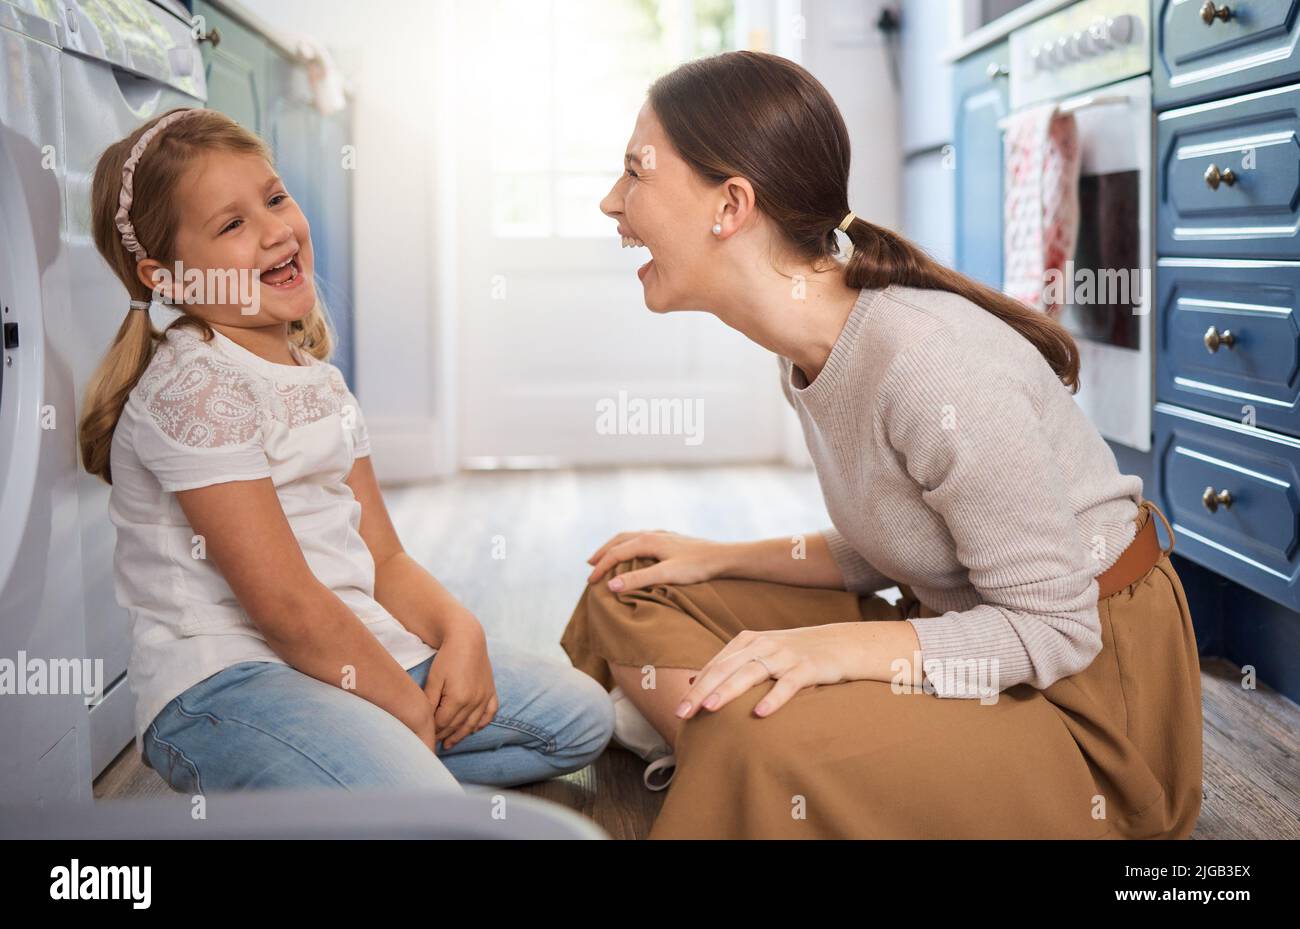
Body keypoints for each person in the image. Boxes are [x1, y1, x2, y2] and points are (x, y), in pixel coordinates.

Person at [562, 51, 1203, 839]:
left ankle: (742, 753)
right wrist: (716, 557)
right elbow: (902, 539)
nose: (610, 202)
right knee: (632, 583)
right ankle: (755, 756)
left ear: (730, 205)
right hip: (958, 620)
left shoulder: (930, 364)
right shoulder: (808, 341)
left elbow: (1054, 629)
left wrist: (834, 651)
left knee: (758, 732)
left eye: (635, 173)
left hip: (1083, 698)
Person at [79, 108, 613, 794]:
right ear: (171, 278)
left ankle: (351, 780)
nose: (275, 230)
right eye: (232, 224)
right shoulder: (194, 389)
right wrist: (403, 705)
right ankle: (374, 779)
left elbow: (383, 557)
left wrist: (461, 630)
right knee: (421, 796)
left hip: (347, 647)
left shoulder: (319, 381)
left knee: (580, 720)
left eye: (274, 198)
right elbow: (286, 607)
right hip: (227, 683)